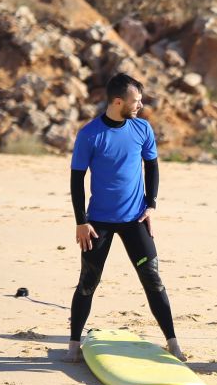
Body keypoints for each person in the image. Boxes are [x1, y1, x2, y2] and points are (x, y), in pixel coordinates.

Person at [64, 73, 186, 362]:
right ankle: (72, 344)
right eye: (136, 100)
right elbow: (76, 180)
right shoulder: (90, 134)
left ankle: (173, 341)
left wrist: (151, 205)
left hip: (135, 221)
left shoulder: (142, 129)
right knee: (87, 283)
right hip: (98, 224)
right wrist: (81, 221)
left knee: (153, 280)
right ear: (118, 101)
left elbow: (152, 167)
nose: (141, 105)